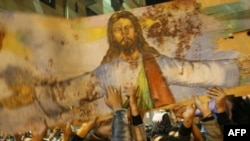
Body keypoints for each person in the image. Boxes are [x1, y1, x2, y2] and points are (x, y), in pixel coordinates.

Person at [0, 10, 240, 137]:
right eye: (117, 30)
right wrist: (35, 97)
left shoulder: (154, 62)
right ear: (112, 36)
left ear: (136, 31)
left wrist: (235, 69)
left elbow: (191, 71)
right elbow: (74, 90)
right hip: (125, 125)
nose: (124, 33)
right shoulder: (107, 71)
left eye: (128, 28)